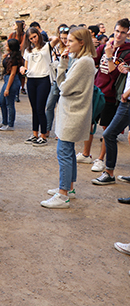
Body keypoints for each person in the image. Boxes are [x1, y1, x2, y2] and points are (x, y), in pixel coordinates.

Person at [41, 28, 96, 208]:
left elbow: (63, 88)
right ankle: (68, 188)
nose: (67, 43)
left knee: (64, 152)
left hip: (73, 113)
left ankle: (63, 194)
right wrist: (65, 63)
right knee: (68, 152)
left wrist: (62, 66)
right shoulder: (82, 60)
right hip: (72, 111)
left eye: (71, 41)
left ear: (82, 42)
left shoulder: (84, 62)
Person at [77, 19, 130, 174]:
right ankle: (86, 154)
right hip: (97, 91)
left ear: (127, 34)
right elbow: (92, 61)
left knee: (107, 129)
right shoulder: (106, 46)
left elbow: (115, 74)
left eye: (122, 32)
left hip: (112, 96)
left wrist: (109, 56)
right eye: (117, 31)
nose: (119, 35)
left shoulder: (127, 52)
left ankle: (100, 159)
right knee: (89, 123)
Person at [20, 27, 54, 146]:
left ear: (39, 35)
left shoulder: (47, 46)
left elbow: (57, 39)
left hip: (43, 79)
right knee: (34, 108)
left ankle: (43, 135)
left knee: (40, 108)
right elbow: (26, 66)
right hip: (31, 79)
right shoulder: (28, 50)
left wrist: (48, 38)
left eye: (35, 36)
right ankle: (35, 134)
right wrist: (23, 69)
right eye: (31, 38)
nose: (33, 40)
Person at [45, 25, 70, 133]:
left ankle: (61, 131)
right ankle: (47, 129)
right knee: (49, 105)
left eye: (66, 38)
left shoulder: (72, 49)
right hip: (56, 79)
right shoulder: (56, 48)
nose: (64, 41)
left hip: (67, 80)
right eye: (62, 38)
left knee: (63, 108)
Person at [0, 39, 25, 130]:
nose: (5, 46)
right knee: (1, 101)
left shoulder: (14, 59)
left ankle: (10, 124)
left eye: (7, 45)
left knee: (9, 103)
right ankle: (4, 122)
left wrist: (7, 88)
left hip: (12, 80)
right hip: (7, 79)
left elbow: (13, 74)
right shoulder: (10, 55)